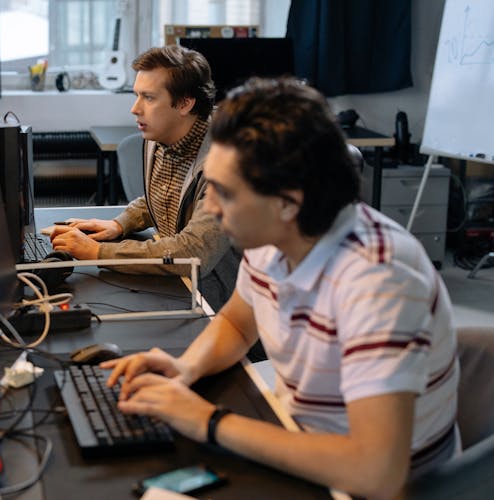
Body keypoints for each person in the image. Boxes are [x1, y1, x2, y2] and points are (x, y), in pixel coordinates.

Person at [102, 77, 459, 499]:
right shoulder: (275, 238)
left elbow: (375, 472)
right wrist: (187, 367)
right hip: (299, 433)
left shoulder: (378, 282)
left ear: (288, 202)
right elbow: (237, 323)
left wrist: (209, 422)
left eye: (224, 193)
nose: (210, 207)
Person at [49, 45, 241, 313]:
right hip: (180, 283)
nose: (135, 109)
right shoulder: (159, 135)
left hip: (221, 303)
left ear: (185, 103)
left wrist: (98, 252)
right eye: (136, 95)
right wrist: (120, 223)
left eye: (148, 98)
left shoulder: (228, 166)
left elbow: (193, 252)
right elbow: (167, 196)